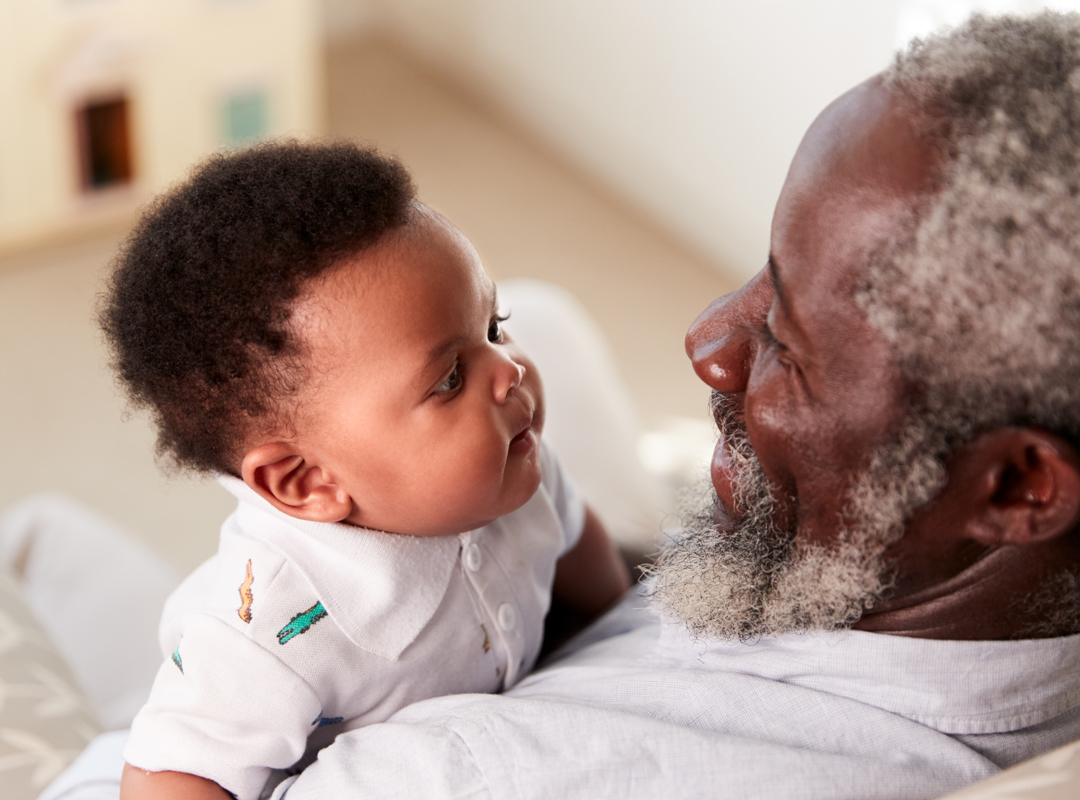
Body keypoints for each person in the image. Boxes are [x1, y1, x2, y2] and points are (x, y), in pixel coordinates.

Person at [36, 10, 1080, 800]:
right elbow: (179, 759)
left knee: (33, 542)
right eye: (760, 272)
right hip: (196, 738)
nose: (709, 341)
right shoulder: (259, 627)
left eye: (788, 344)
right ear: (303, 482)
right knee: (546, 319)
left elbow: (579, 570)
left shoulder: (463, 771)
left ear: (1019, 484)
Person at [99, 143, 630, 800]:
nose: (510, 370)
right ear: (307, 482)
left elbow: (580, 545)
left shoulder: (514, 460)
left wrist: (626, 632)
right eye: (451, 378)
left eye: (495, 325)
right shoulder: (264, 639)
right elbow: (167, 775)